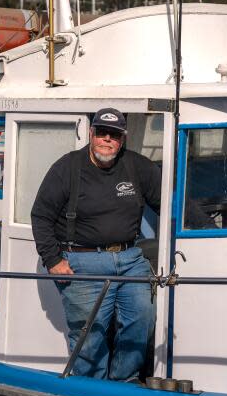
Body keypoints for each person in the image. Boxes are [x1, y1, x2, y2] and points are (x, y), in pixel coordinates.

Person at [31, 107, 161, 381]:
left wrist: (207, 229)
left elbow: (172, 206)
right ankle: (91, 391)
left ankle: (124, 385)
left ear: (122, 139)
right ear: (91, 134)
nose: (107, 139)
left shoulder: (138, 167)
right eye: (101, 132)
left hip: (130, 259)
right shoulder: (67, 168)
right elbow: (40, 216)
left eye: (113, 135)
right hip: (82, 262)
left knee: (142, 319)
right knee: (90, 334)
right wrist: (53, 260)